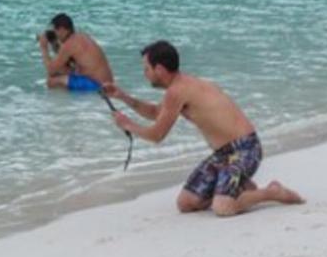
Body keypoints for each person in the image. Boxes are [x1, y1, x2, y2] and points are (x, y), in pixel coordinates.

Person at [104, 40, 303, 216]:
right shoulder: (180, 86)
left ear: (160, 69)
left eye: (146, 69)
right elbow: (157, 113)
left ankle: (271, 192)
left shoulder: (177, 91)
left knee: (222, 207)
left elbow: (157, 135)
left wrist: (128, 124)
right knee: (186, 203)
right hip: (223, 154)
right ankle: (239, 188)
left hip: (245, 149)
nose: (144, 74)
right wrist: (123, 97)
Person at [37, 13, 114, 92]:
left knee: (51, 81)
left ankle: (65, 102)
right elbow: (69, 66)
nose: (56, 34)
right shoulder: (82, 36)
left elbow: (51, 70)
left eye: (56, 30)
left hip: (97, 86)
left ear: (62, 29)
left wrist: (44, 48)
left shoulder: (69, 44)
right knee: (64, 74)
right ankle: (75, 100)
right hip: (108, 83)